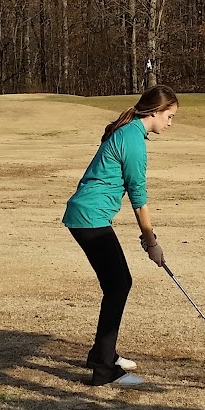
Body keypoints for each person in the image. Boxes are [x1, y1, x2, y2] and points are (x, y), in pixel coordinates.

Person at [62, 85, 179, 387]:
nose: (170, 123)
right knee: (119, 285)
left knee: (116, 284)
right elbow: (138, 197)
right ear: (155, 111)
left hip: (87, 216)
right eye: (169, 116)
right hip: (89, 218)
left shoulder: (130, 134)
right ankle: (103, 369)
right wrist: (151, 242)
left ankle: (102, 354)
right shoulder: (133, 141)